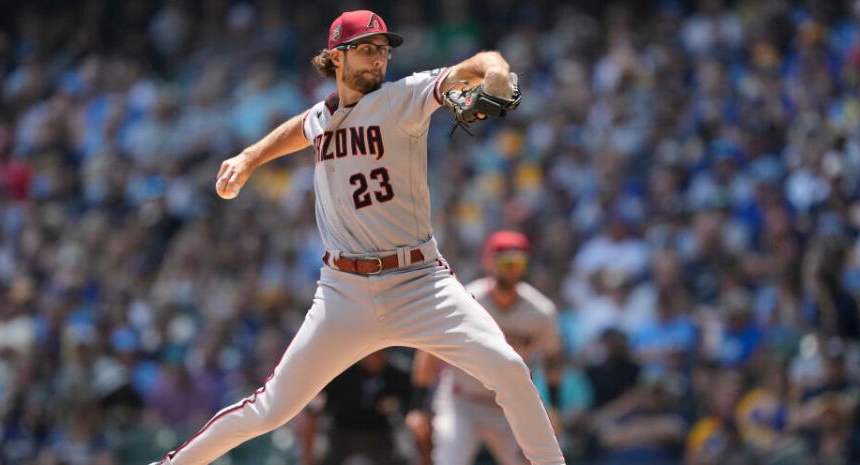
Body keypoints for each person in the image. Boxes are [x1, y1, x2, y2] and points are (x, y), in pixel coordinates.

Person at [149, 9, 566, 465]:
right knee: (270, 409)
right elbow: (300, 128)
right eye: (367, 50)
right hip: (343, 293)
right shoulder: (322, 116)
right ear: (336, 57)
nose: (379, 60)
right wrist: (249, 158)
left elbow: (481, 61)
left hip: (420, 283)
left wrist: (499, 74)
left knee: (509, 370)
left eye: (383, 51)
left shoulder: (401, 98)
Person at [406, 231, 564, 465]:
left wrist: (554, 407)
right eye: (506, 261)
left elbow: (552, 359)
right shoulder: (468, 299)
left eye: (518, 262)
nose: (512, 268)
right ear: (489, 261)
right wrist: (418, 405)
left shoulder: (540, 311)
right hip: (462, 401)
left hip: (509, 406)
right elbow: (429, 354)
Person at [295, 350, 412, 465]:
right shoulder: (341, 372)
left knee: (405, 455)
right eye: (371, 352)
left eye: (379, 352)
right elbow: (315, 407)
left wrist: (397, 405)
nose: (375, 357)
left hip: (381, 432)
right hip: (341, 431)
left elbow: (412, 408)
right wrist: (307, 458)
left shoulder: (398, 374)